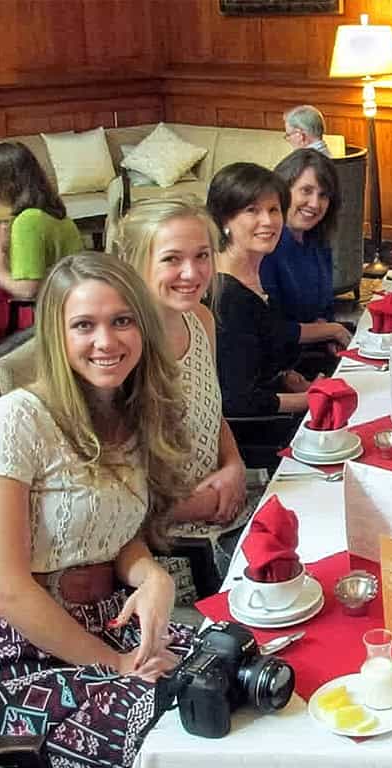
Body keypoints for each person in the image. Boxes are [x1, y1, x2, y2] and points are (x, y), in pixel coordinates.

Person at [0, 252, 193, 768]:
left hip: (102, 621)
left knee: (234, 668)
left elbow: (111, 532)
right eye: (84, 325)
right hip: (13, 657)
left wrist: (152, 577)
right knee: (188, 725)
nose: (106, 341)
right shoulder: (14, 420)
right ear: (56, 336)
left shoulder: (129, 410)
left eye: (121, 320)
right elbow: (8, 591)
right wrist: (117, 665)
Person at [119, 197, 248, 571]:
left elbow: (212, 413)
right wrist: (201, 504)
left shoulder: (201, 320)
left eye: (202, 256)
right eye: (172, 259)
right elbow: (114, 499)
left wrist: (234, 465)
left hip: (224, 510)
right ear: (137, 262)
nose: (191, 273)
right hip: (165, 548)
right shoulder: (122, 350)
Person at [206, 163, 350, 420]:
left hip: (283, 387)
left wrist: (288, 378)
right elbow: (237, 401)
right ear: (224, 219)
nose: (268, 221)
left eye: (274, 210)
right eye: (252, 210)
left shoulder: (252, 274)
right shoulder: (228, 295)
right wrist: (313, 398)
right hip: (258, 428)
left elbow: (267, 342)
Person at [0, 141, 83, 300]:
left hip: (52, 309)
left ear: (6, 182)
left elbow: (27, 290)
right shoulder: (45, 211)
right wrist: (3, 249)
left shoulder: (27, 222)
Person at [261, 148, 342, 326]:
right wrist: (331, 330)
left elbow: (326, 307)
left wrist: (325, 325)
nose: (315, 204)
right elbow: (272, 327)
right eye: (306, 190)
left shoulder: (318, 241)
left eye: (323, 195)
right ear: (282, 191)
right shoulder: (266, 247)